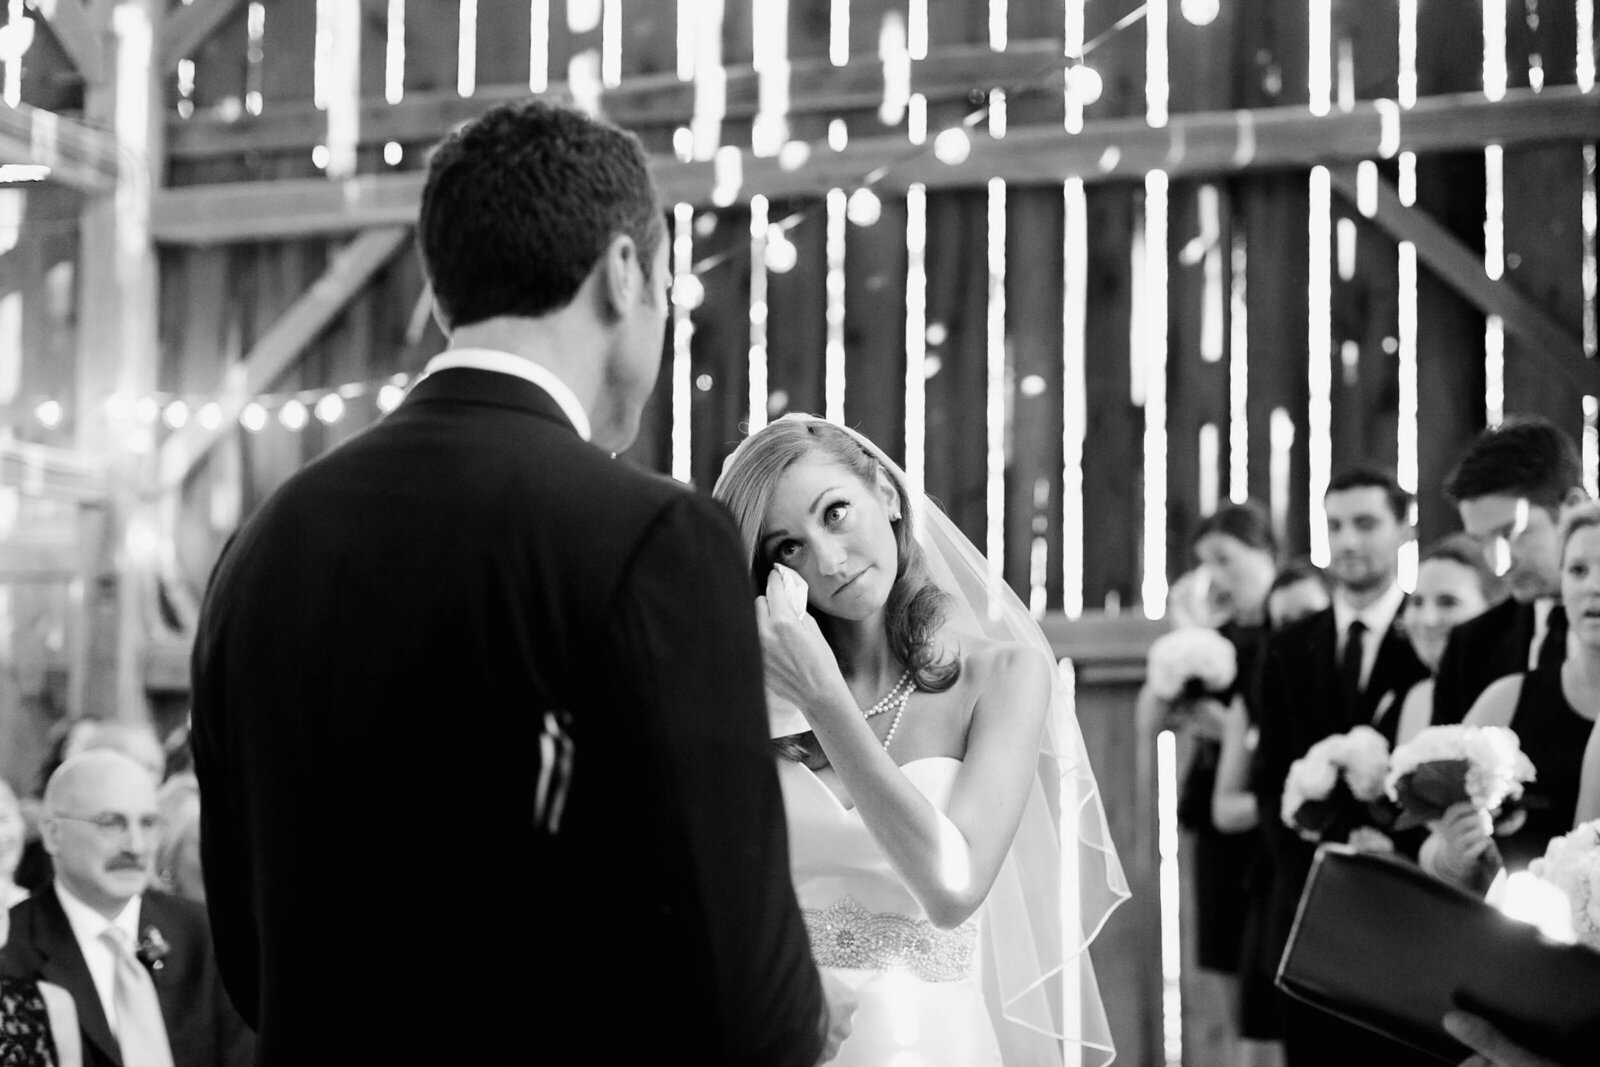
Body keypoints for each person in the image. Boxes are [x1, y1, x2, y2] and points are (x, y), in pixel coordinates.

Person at [189, 99, 848, 1065]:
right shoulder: (648, 535)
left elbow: (251, 960)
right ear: (625, 273)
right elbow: (741, 988)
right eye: (669, 285)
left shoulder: (262, 547)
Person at [712, 415, 1127, 1067]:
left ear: (888, 493)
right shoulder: (741, 698)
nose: (828, 558)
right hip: (780, 1037)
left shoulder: (1005, 677)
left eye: (836, 512)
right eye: (786, 547)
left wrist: (824, 701)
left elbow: (952, 890)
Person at [1253, 468, 1429, 1067]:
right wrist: (1322, 861)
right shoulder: (1287, 643)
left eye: (1366, 523)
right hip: (1307, 906)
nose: (1348, 541)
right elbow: (1269, 772)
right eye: (1335, 526)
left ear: (1405, 529)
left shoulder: (1431, 636)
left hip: (1408, 912)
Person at [0, 751, 251, 1067]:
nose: (135, 846)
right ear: (53, 834)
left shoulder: (202, 933)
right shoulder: (12, 948)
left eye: (147, 823)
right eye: (111, 823)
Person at [1137, 504, 1276, 1065]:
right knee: (1221, 962)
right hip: (1212, 810)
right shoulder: (1214, 637)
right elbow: (1150, 722)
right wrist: (1182, 644)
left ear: (1265, 553)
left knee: (1266, 971)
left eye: (1226, 559)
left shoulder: (1291, 628)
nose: (1215, 575)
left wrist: (1231, 732)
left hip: (1264, 811)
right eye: (1204, 563)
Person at [1424, 503, 1600, 884]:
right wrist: (1452, 854)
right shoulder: (1506, 700)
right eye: (1578, 570)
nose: (1593, 587)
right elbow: (1431, 848)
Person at [1211, 559, 1330, 1064]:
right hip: (1274, 877)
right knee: (1263, 1034)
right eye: (1282, 621)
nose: (1295, 631)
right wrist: (1291, 807)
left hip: (1344, 886)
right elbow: (1225, 807)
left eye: (1307, 615)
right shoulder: (1253, 701)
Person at [1434, 418, 1586, 725]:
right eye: (1481, 542)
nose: (1499, 563)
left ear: (1573, 506)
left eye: (1512, 534)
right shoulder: (1470, 647)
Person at [1395, 535, 1507, 744]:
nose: (1428, 619)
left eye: (1448, 602)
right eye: (1417, 602)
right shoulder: (1417, 698)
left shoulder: (1507, 697)